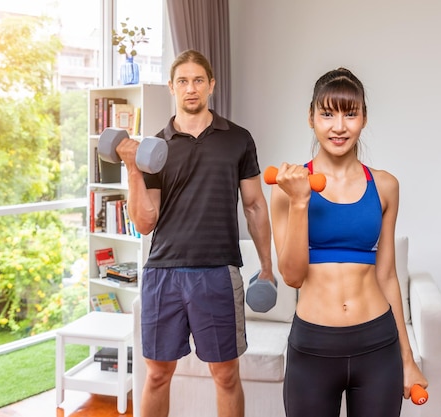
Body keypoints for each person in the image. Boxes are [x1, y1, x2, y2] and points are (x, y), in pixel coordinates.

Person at [116, 49, 274, 417]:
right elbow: (144, 223)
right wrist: (133, 170)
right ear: (172, 87)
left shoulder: (238, 139)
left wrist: (267, 265)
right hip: (163, 273)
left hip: (218, 272)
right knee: (156, 375)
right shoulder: (154, 148)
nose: (191, 88)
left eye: (198, 80)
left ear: (211, 86)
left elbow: (254, 206)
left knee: (226, 376)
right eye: (183, 81)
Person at [269, 67, 428, 417]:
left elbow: (387, 276)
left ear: (364, 119)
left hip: (377, 345)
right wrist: (299, 202)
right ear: (310, 118)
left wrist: (408, 358)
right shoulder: (287, 189)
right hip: (312, 346)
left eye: (349, 114)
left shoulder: (385, 186)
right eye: (327, 114)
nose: (338, 127)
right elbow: (293, 277)